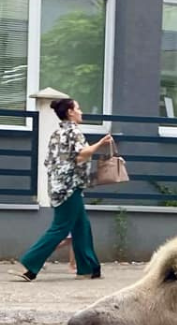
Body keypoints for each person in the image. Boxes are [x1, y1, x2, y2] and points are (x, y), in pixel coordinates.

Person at [17, 98, 110, 281]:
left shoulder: (57, 133)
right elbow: (81, 154)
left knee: (81, 226)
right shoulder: (73, 132)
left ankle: (89, 268)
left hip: (59, 185)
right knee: (60, 227)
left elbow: (50, 160)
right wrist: (100, 144)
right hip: (69, 187)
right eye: (78, 108)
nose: (81, 111)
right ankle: (30, 264)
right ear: (70, 112)